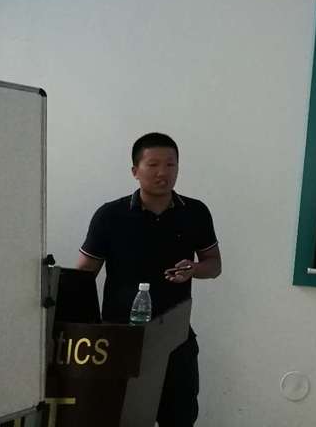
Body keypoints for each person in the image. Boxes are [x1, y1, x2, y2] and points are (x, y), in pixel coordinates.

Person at [77, 132, 222, 427]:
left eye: (170, 164)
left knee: (179, 417)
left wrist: (194, 269)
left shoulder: (195, 212)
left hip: (175, 337)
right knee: (119, 417)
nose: (162, 173)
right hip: (120, 338)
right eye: (153, 165)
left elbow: (214, 265)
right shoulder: (110, 215)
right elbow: (82, 276)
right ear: (135, 171)